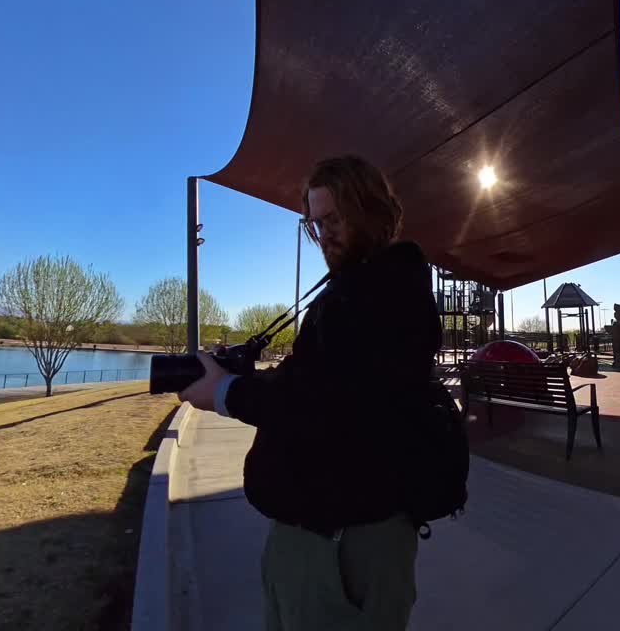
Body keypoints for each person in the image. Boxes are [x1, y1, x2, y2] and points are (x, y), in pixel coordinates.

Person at [178, 156, 441, 630]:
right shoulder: (361, 289)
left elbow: (326, 411)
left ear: (374, 210)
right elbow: (317, 388)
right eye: (316, 224)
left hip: (344, 547)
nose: (325, 236)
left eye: (335, 219)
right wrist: (240, 378)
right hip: (317, 538)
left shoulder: (382, 293)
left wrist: (225, 393)